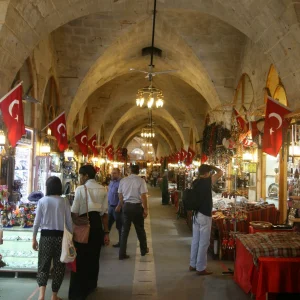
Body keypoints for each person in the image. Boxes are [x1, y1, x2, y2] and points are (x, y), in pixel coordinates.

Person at [69, 165, 110, 300]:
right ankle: (91, 285)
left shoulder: (81, 189)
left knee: (81, 258)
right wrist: (106, 232)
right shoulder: (103, 189)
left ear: (86, 176)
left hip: (83, 225)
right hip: (97, 225)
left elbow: (74, 211)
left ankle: (79, 290)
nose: (80, 178)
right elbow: (105, 214)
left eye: (81, 175)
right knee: (94, 256)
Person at [32, 176, 72, 300]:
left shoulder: (42, 201)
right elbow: (69, 221)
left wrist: (34, 238)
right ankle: (54, 295)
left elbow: (36, 222)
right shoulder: (64, 201)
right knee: (59, 266)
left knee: (43, 265)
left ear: (48, 187)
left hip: (45, 237)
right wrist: (71, 238)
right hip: (60, 238)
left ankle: (41, 295)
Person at [189, 164, 223, 276]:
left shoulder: (195, 182)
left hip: (196, 214)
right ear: (207, 173)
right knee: (204, 242)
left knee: (195, 241)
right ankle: (201, 268)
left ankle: (193, 264)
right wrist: (212, 166)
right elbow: (221, 172)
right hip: (204, 214)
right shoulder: (208, 181)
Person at [116, 164, 148, 260]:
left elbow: (120, 195)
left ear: (129, 171)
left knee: (124, 231)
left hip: (126, 206)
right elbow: (143, 196)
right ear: (138, 171)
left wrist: (122, 205)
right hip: (136, 207)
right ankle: (143, 250)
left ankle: (122, 253)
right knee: (140, 229)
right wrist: (145, 209)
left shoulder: (123, 180)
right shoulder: (141, 181)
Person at [108, 168, 122, 247]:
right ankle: (104, 240)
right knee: (107, 225)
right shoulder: (111, 182)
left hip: (117, 208)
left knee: (119, 226)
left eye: (115, 173)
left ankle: (121, 242)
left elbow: (122, 195)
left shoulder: (120, 183)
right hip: (110, 207)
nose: (112, 175)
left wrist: (119, 205)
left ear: (119, 174)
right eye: (112, 173)